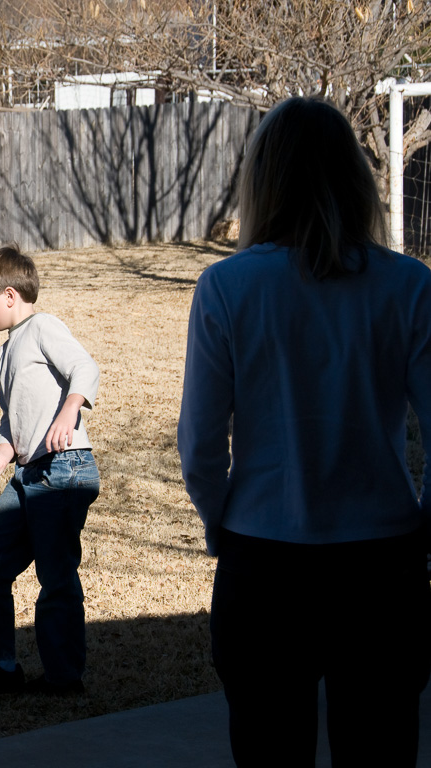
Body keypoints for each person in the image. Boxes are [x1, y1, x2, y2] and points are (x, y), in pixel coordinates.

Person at [178, 96, 431, 765]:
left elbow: (202, 447)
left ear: (262, 179)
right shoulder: (408, 285)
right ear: (355, 175)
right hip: (382, 566)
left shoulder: (228, 287)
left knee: (268, 752)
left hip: (264, 564)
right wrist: (421, 532)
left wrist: (221, 526)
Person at [0, 245, 101, 699]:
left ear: (9, 295)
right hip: (28, 473)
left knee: (56, 578)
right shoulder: (6, 352)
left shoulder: (43, 327)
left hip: (65, 470)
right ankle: (1, 668)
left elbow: (84, 368)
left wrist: (69, 412)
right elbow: (12, 417)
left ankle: (63, 679)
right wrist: (2, 451)